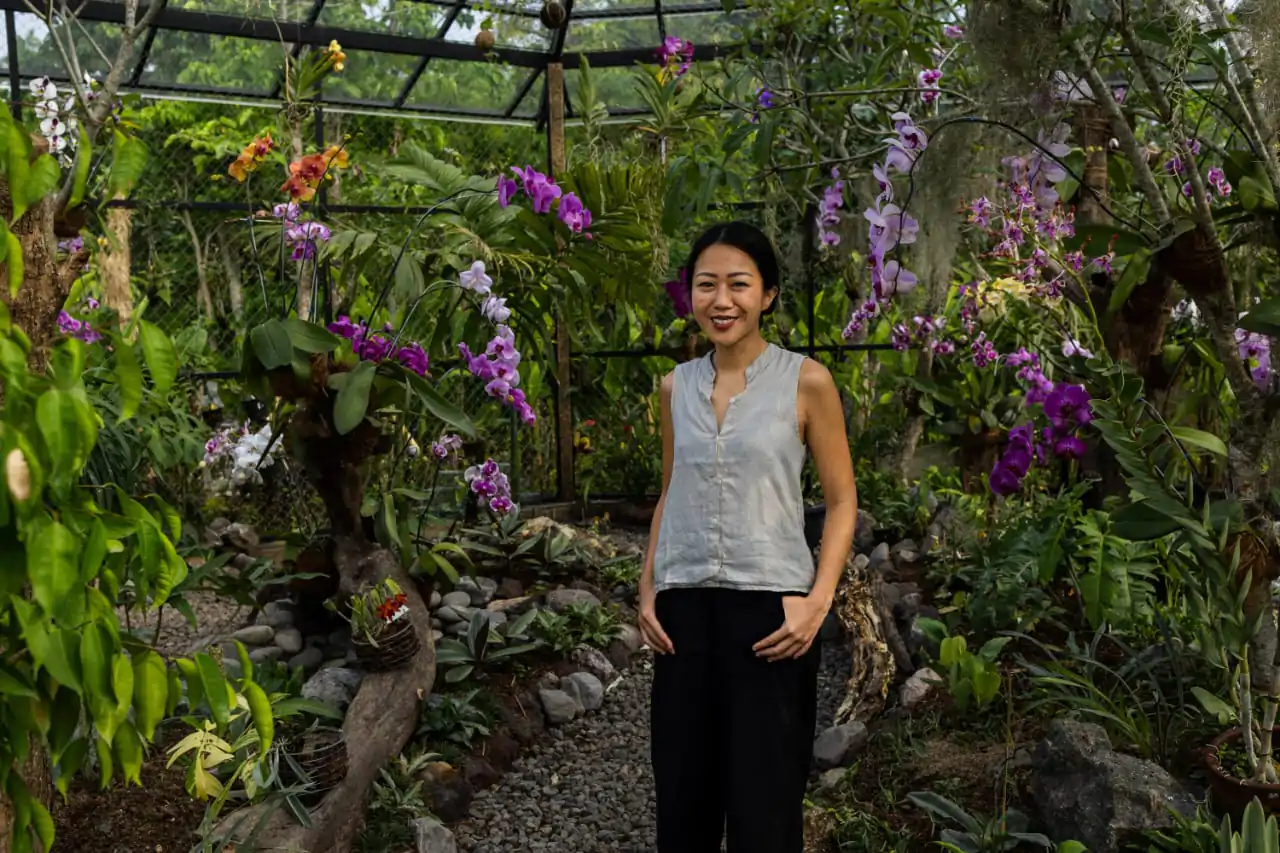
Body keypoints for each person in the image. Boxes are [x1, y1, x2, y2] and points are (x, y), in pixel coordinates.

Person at [639, 221, 858, 853]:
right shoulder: (674, 387)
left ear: (768, 294)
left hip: (771, 616)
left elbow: (842, 502)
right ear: (691, 296)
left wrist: (817, 603)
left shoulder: (806, 380)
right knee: (683, 805)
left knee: (765, 809)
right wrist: (648, 589)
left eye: (739, 284)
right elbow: (669, 492)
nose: (721, 300)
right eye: (706, 285)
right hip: (682, 616)